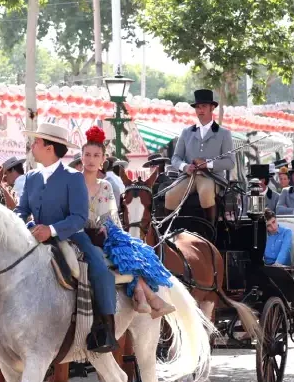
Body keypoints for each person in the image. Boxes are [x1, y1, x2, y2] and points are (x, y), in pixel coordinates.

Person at [15, 122, 117, 353]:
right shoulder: (30, 177)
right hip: (33, 235)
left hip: (71, 237)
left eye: (37, 141)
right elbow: (22, 210)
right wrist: (13, 223)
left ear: (49, 148)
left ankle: (105, 329)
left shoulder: (73, 178)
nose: (33, 145)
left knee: (100, 270)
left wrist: (50, 230)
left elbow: (79, 217)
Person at [80, 127, 175, 318]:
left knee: (129, 248)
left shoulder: (105, 185)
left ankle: (143, 293)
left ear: (102, 160)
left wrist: (108, 229)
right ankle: (146, 295)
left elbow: (111, 216)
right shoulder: (73, 181)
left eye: (96, 155)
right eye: (87, 155)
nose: (91, 159)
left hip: (101, 233)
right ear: (81, 156)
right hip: (79, 232)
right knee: (120, 249)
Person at [167, 89, 235, 225]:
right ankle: (170, 231)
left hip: (212, 178)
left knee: (205, 193)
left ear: (212, 108)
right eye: (198, 107)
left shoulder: (224, 133)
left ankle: (210, 230)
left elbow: (230, 162)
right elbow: (175, 158)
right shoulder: (186, 132)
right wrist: (185, 167)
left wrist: (207, 164)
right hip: (189, 177)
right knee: (170, 195)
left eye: (204, 106)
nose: (200, 110)